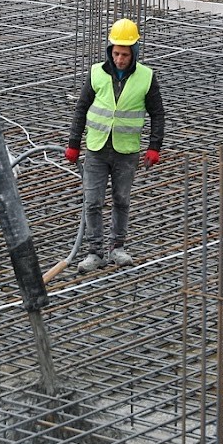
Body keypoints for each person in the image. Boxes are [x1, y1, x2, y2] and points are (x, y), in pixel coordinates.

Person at [64, 18, 166, 271]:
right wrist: (74, 142)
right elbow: (81, 108)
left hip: (126, 151)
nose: (120, 59)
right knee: (92, 202)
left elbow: (158, 114)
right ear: (110, 50)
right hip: (97, 148)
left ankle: (116, 248)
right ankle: (95, 252)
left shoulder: (146, 77)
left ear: (134, 53)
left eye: (125, 55)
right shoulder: (96, 73)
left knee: (121, 200)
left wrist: (154, 147)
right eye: (116, 53)